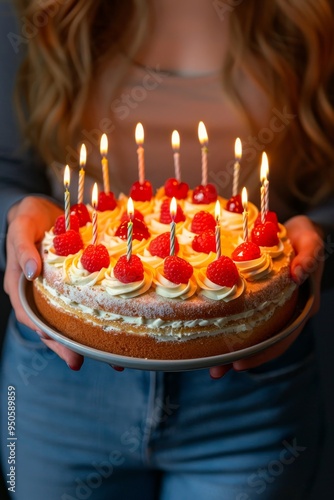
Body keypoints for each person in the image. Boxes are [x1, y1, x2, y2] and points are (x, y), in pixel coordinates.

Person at [1, 0, 333, 498]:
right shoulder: (31, 9)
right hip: (56, 381)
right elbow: (6, 167)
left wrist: (321, 237)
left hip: (253, 387)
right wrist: (16, 215)